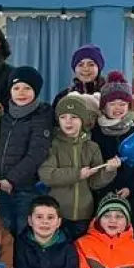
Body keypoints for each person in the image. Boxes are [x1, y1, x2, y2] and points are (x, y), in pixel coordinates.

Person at [0, 65, 53, 233]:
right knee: (3, 236)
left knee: (23, 234)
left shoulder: (41, 117)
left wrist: (11, 180)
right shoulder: (4, 116)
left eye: (27, 88)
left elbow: (36, 154)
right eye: (16, 88)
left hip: (25, 190)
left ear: (36, 91)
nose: (21, 92)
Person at [41, 91, 114, 234]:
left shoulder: (92, 147)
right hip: (57, 214)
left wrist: (109, 171)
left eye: (74, 117)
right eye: (63, 117)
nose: (68, 121)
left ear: (83, 120)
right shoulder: (52, 145)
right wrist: (77, 174)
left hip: (84, 215)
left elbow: (95, 183)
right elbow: (46, 175)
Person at [91, 73, 134, 226]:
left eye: (122, 104)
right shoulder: (94, 133)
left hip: (130, 199)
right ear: (104, 106)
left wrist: (131, 188)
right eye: (113, 104)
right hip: (101, 198)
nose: (118, 108)